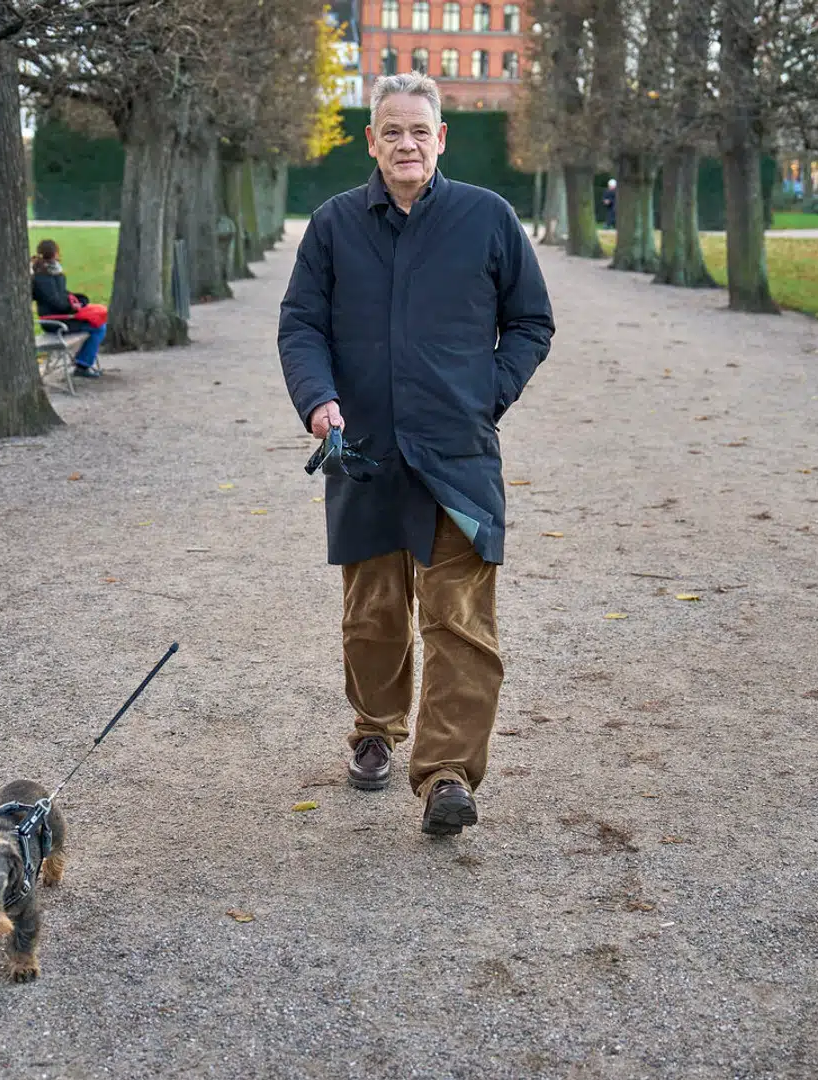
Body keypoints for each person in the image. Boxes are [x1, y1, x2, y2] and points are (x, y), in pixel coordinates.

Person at [278, 73, 554, 837]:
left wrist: (485, 394)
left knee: (459, 620)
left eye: (419, 131)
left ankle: (447, 778)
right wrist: (317, 398)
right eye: (391, 131)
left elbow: (531, 322)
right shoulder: (334, 225)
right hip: (362, 452)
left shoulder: (488, 218)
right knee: (374, 615)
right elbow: (300, 324)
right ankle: (374, 725)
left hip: (457, 455)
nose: (406, 143)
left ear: (442, 139)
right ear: (371, 141)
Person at [31, 239, 106, 378]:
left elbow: (62, 294)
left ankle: (83, 362)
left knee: (99, 322)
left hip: (63, 317)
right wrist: (73, 308)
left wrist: (79, 299)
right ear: (55, 254)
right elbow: (56, 303)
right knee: (98, 327)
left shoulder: (54, 273)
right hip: (54, 322)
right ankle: (82, 365)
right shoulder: (42, 278)